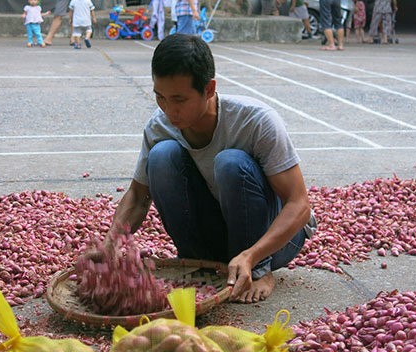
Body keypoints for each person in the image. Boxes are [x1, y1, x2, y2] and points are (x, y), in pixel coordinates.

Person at [104, 34, 315, 303]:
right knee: (161, 156)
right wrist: (112, 241)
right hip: (221, 229)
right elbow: (136, 196)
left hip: (276, 238)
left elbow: (299, 204)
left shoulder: (255, 121)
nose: (169, 110)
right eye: (160, 97)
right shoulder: (159, 126)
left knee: (231, 163)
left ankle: (258, 270)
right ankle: (199, 262)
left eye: (179, 99)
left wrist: (253, 256)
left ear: (209, 89)